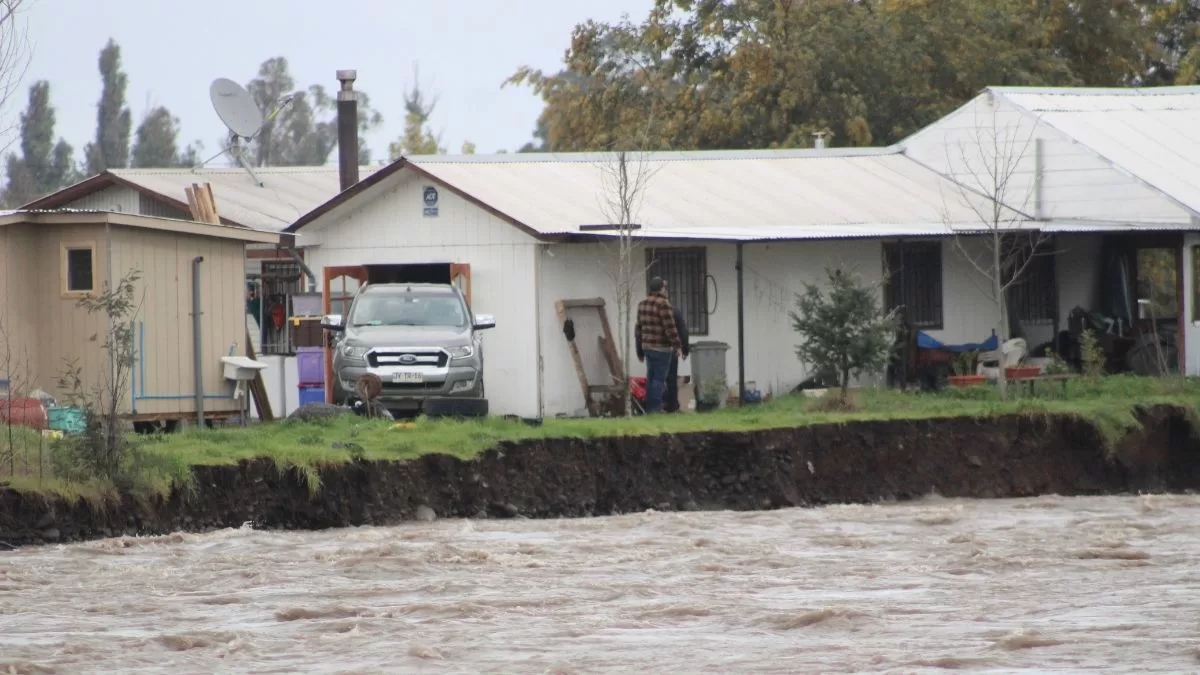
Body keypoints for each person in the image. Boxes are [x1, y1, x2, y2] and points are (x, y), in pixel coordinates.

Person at [635, 277, 682, 414]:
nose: (666, 290)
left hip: (647, 346)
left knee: (651, 377)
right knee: (659, 379)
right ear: (661, 289)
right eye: (665, 287)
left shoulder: (642, 304)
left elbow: (639, 328)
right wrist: (677, 346)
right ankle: (655, 409)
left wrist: (639, 350)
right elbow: (670, 328)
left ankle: (649, 407)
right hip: (661, 348)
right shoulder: (663, 304)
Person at [637, 303, 690, 412]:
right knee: (670, 379)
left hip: (650, 348)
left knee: (653, 378)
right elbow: (682, 330)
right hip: (669, 348)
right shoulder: (673, 311)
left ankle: (652, 406)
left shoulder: (647, 311)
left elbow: (639, 332)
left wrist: (640, 351)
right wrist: (685, 349)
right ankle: (672, 406)